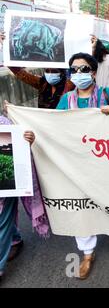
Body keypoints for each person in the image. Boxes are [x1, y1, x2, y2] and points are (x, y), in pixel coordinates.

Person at [57, 53, 109, 279]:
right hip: (76, 163)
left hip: (106, 162)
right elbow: (52, 126)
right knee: (81, 206)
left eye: (84, 69)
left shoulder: (107, 94)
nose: (79, 74)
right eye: (74, 70)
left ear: (94, 72)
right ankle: (87, 253)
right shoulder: (66, 100)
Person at [0, 109, 50, 284]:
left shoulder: (4, 124)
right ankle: (14, 239)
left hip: (4, 187)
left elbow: (18, 144)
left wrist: (27, 140)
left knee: (1, 222)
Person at [0, 32, 75, 109]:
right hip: (43, 119)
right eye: (47, 71)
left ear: (62, 73)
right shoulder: (42, 83)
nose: (50, 74)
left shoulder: (70, 85)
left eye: (54, 71)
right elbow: (21, 74)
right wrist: (6, 49)